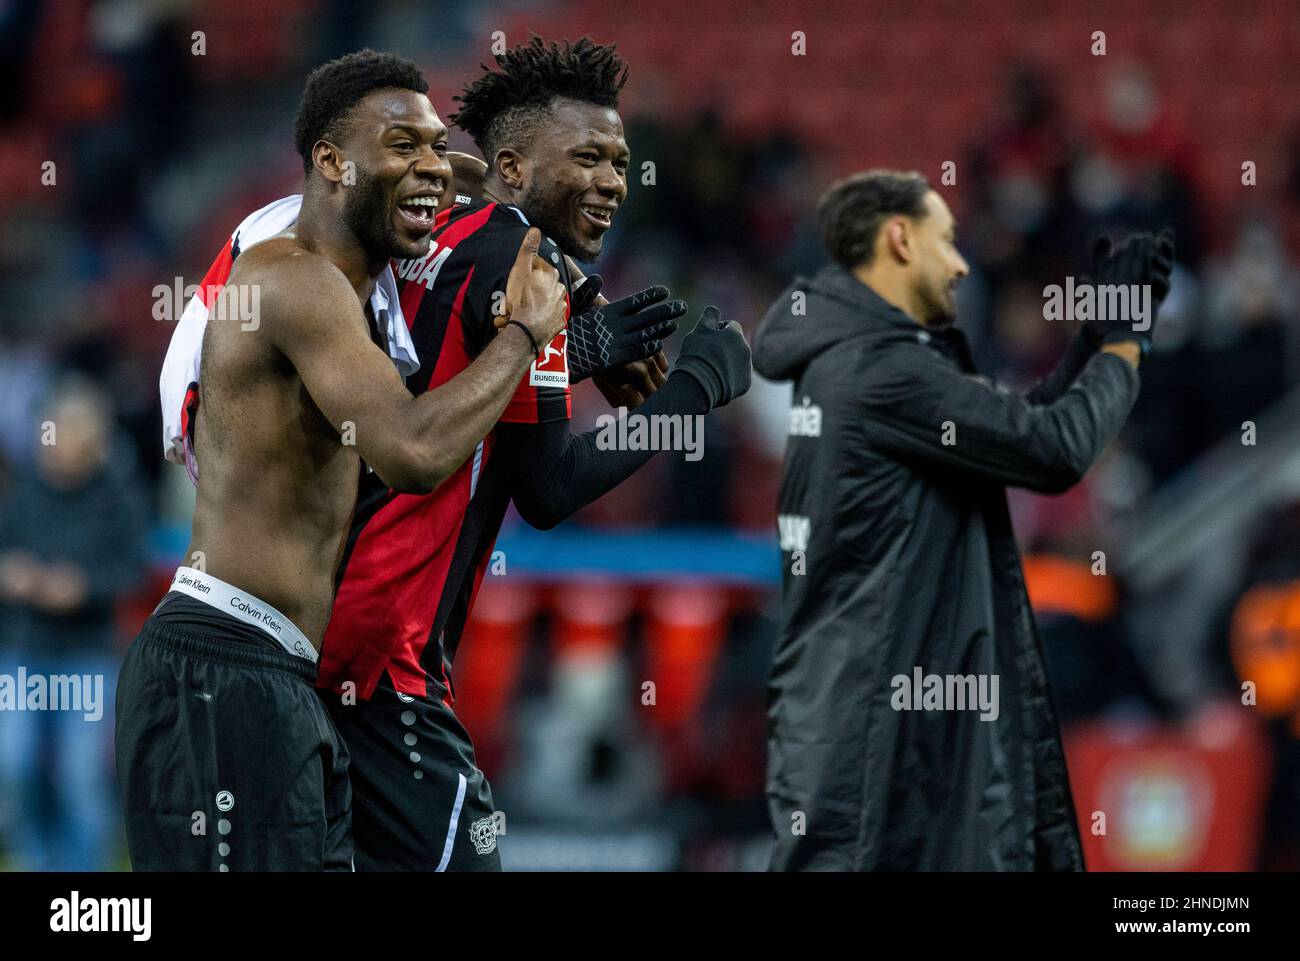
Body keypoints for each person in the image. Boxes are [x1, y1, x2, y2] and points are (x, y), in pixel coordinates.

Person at [115, 50, 568, 872]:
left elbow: (432, 175)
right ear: (328, 162)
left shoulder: (347, 278)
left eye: (437, 145)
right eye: (403, 144)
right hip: (227, 670)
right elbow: (414, 452)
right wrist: (524, 335)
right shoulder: (295, 279)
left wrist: (435, 169)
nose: (431, 167)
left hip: (270, 675)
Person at [316, 36, 753, 871]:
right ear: (510, 169)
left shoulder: (430, 231)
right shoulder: (528, 265)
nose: (610, 182)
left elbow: (445, 371)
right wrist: (695, 385)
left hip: (323, 621)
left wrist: (581, 341)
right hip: (386, 650)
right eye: (586, 157)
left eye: (620, 163)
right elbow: (549, 487)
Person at [752, 169, 1173, 871]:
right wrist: (1125, 346)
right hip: (878, 743)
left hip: (871, 721)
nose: (960, 262)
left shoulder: (853, 358)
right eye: (945, 242)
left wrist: (1091, 337)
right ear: (898, 241)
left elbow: (1009, 429)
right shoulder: (883, 370)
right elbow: (1054, 448)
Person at [0, 378, 148, 870]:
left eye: (70, 431)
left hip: (86, 655)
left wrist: (81, 588)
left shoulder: (117, 497)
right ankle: (38, 861)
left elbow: (132, 569)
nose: (58, 441)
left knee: (79, 777)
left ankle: (80, 874)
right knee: (16, 766)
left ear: (94, 439)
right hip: (23, 650)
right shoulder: (24, 492)